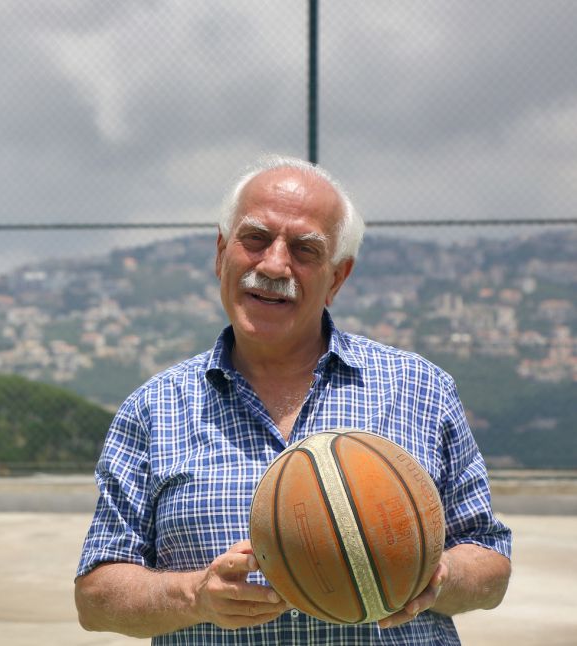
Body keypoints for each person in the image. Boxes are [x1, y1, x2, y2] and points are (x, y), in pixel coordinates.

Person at [74, 154, 512, 644]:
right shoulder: (153, 410)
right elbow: (96, 597)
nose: (275, 264)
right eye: (255, 239)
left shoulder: (420, 389)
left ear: (337, 278)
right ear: (222, 253)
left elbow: (490, 561)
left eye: (305, 250)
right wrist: (195, 595)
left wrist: (435, 577)